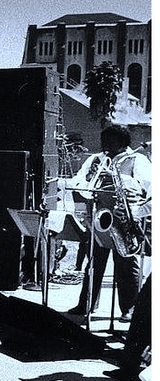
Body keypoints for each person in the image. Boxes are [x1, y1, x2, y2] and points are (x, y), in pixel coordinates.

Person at [67, 124, 151, 321]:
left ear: (121, 142)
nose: (104, 146)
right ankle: (86, 303)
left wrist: (135, 207)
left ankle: (129, 308)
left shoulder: (137, 160)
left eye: (109, 141)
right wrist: (89, 183)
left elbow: (150, 190)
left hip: (123, 221)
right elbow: (76, 182)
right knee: (93, 263)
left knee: (126, 266)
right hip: (99, 219)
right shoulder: (96, 160)